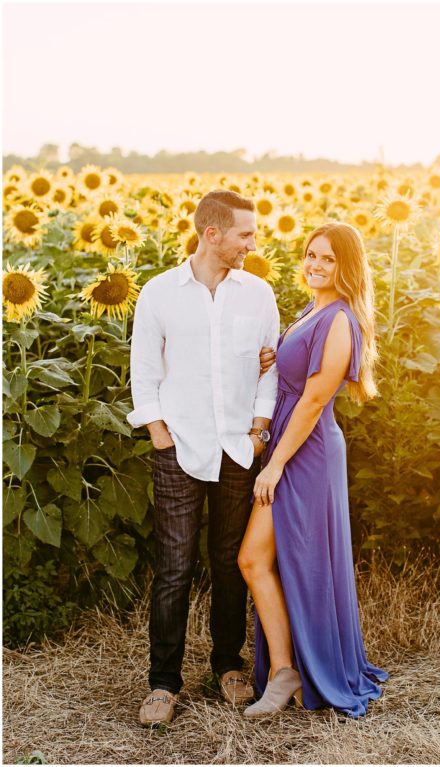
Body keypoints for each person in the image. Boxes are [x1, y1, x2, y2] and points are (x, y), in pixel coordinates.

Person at [127, 190, 281, 726]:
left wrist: (260, 429)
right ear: (211, 234)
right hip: (180, 447)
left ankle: (227, 665)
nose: (252, 244)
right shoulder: (159, 294)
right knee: (173, 567)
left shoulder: (258, 293)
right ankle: (164, 683)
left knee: (229, 562)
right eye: (245, 235)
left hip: (239, 447)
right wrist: (158, 433)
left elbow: (271, 367)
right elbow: (143, 370)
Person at [237, 222, 387, 718]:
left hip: (307, 451)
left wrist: (274, 465)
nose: (315, 265)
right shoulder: (311, 310)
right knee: (264, 561)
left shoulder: (339, 319)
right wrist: (273, 357)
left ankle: (293, 672)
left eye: (328, 259)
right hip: (290, 443)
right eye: (310, 255)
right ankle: (287, 670)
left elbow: (316, 398)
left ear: (347, 267)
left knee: (261, 559)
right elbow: (298, 373)